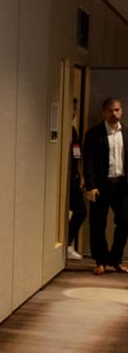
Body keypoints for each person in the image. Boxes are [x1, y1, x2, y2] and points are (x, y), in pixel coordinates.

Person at [82, 97, 128, 275]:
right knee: (98, 224)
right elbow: (88, 162)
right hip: (101, 186)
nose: (114, 113)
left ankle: (115, 259)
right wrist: (91, 186)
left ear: (121, 111)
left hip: (122, 186)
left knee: (125, 221)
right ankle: (100, 261)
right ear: (104, 112)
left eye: (117, 110)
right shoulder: (93, 134)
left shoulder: (126, 133)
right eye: (110, 110)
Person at [67, 98, 86, 259]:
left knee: (81, 211)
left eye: (74, 109)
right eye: (70, 108)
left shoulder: (73, 131)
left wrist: (81, 176)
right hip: (60, 180)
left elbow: (77, 155)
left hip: (73, 178)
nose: (73, 112)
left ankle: (66, 243)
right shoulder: (61, 130)